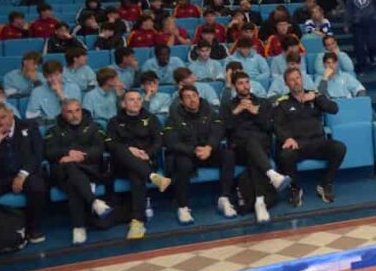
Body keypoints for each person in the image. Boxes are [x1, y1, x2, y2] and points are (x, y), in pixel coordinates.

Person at [220, 71, 290, 224]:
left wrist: (255, 112)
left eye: (246, 82)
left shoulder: (263, 103)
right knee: (251, 145)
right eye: (240, 83)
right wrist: (236, 112)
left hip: (260, 147)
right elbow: (223, 130)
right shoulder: (227, 106)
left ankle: (259, 201)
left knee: (254, 149)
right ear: (234, 86)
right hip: (238, 149)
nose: (245, 86)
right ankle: (269, 181)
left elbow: (269, 126)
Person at [163, 85, 238, 223]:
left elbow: (219, 129)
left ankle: (224, 198)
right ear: (181, 102)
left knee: (228, 154)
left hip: (208, 150)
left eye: (194, 96)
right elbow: (171, 141)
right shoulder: (174, 115)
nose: (192, 100)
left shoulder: (209, 111)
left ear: (199, 96)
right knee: (182, 163)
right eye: (187, 97)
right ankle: (183, 207)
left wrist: (209, 147)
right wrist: (192, 150)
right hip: (187, 153)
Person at [104, 90, 172, 239]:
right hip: (121, 164)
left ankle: (137, 221)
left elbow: (159, 141)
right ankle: (153, 177)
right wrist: (130, 151)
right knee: (122, 149)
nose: (136, 102)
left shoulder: (151, 118)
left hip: (146, 159)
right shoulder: (114, 121)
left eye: (138, 99)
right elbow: (110, 144)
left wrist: (147, 153)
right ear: (123, 103)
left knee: (136, 174)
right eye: (131, 99)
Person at [274, 67, 345, 207]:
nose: (296, 82)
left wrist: (317, 98)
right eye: (292, 80)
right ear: (286, 84)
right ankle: (296, 188)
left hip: (317, 142)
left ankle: (325, 184)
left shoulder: (315, 96)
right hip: (298, 145)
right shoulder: (283, 102)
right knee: (285, 155)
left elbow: (334, 109)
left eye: (298, 78)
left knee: (339, 148)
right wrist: (287, 138)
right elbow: (277, 126)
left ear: (302, 79)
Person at [45, 98, 112, 245]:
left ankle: (79, 227)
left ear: (81, 110)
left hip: (91, 169)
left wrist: (76, 156)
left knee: (73, 180)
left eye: (77, 110)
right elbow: (49, 152)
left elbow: (100, 149)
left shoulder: (95, 126)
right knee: (71, 171)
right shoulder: (53, 130)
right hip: (62, 174)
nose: (74, 115)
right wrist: (68, 151)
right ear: (62, 113)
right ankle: (94, 202)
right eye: (69, 112)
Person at [0, 102, 47, 244]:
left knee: (37, 186)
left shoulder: (29, 126)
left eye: (3, 117)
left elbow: (38, 154)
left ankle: (33, 229)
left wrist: (22, 174)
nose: (1, 123)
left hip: (26, 174)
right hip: (1, 176)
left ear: (11, 113)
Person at [26, 60, 82, 125]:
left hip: (71, 123)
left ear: (62, 73)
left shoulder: (73, 87)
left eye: (57, 75)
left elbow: (76, 111)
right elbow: (31, 116)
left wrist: (61, 95)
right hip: (50, 125)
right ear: (45, 77)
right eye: (50, 76)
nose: (54, 79)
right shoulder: (37, 91)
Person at [345, 0, 376, 73]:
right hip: (357, 23)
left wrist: (375, 15)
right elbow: (348, 9)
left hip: (370, 22)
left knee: (371, 44)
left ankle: (372, 57)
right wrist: (347, 23)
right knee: (359, 46)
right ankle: (362, 67)